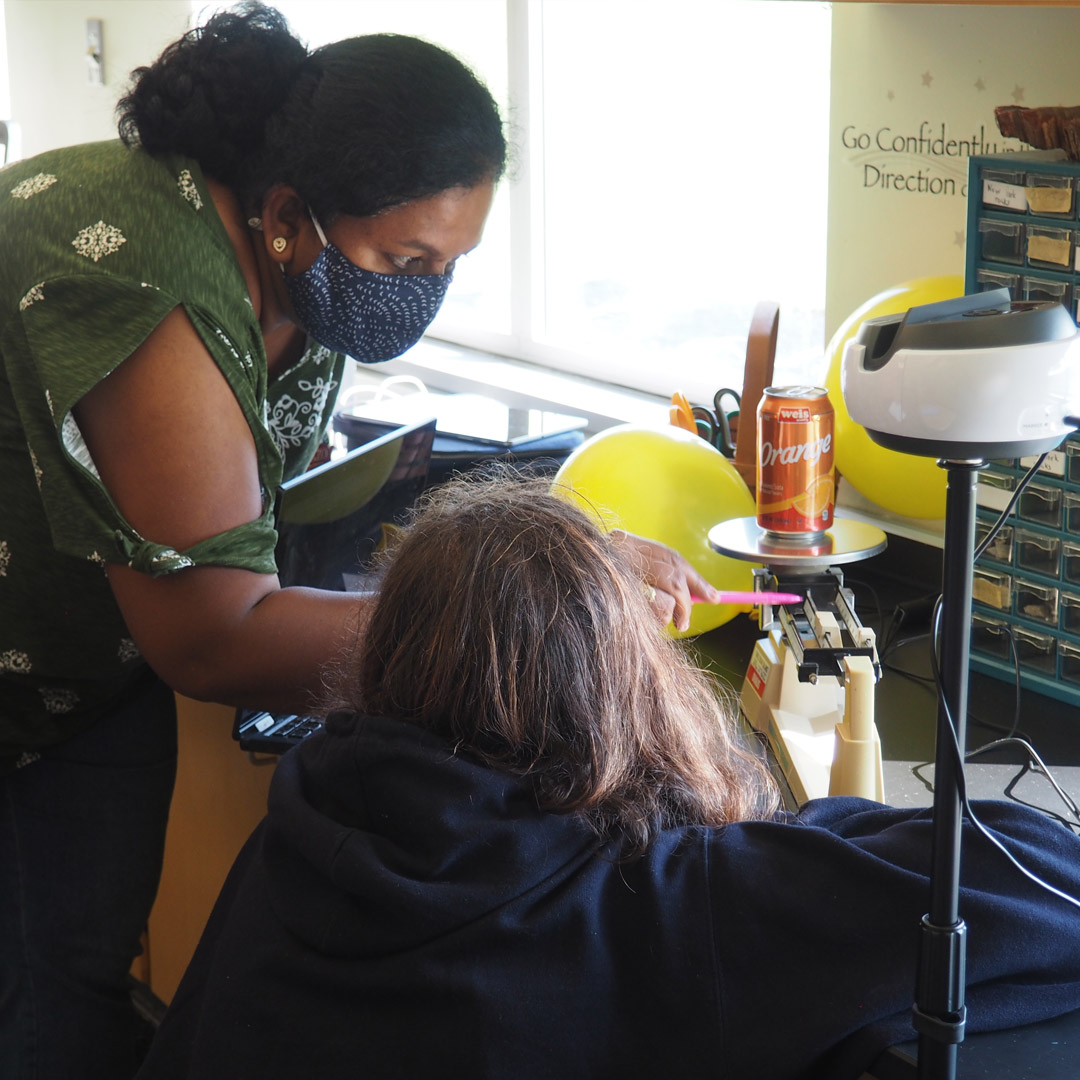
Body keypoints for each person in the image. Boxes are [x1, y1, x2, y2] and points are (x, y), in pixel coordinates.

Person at [0, 5, 716, 1076]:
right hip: (65, 639)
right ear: (291, 213)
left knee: (75, 967)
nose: (423, 291)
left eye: (449, 264)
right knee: (36, 1006)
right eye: (406, 257)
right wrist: (531, 608)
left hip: (87, 655)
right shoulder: (154, 285)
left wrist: (558, 556)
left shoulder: (299, 268)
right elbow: (210, 638)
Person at [135, 473, 1080, 1080]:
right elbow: (1038, 878)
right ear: (618, 685)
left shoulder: (299, 828)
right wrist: (814, 836)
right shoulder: (658, 898)